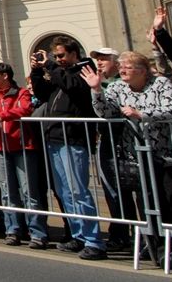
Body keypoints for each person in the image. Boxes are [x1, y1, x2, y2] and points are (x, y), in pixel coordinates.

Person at [81, 51, 172, 263]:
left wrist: (141, 114)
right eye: (120, 67)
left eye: (126, 67)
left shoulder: (161, 83)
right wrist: (95, 90)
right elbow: (106, 113)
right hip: (136, 154)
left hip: (164, 153)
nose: (121, 71)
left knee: (166, 201)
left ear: (141, 70)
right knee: (145, 202)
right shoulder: (117, 86)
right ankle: (153, 244)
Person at [30, 36, 106, 260]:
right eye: (56, 56)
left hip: (73, 138)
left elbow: (71, 87)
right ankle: (78, 234)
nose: (58, 60)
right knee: (65, 192)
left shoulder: (84, 71)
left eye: (62, 56)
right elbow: (44, 94)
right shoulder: (59, 73)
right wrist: (36, 72)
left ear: (74, 54)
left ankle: (94, 240)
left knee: (78, 191)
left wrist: (51, 66)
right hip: (54, 137)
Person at [0, 62, 48, 248]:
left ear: (5, 76)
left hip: (22, 147)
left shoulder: (21, 92)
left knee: (28, 191)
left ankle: (37, 232)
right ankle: (12, 230)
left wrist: (3, 115)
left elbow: (25, 108)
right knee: (7, 192)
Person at [88, 48, 130, 250]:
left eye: (104, 59)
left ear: (116, 62)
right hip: (106, 139)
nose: (100, 63)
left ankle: (147, 236)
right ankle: (119, 234)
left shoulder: (123, 83)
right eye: (98, 59)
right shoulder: (97, 83)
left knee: (137, 190)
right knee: (112, 190)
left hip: (128, 140)